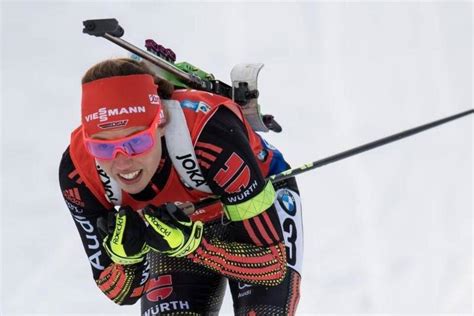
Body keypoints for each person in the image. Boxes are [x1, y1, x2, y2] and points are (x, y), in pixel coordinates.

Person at [59, 58, 303, 315]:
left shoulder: (209, 135)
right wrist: (128, 260)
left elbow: (271, 267)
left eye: (137, 142)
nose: (122, 163)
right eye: (102, 147)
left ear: (161, 123)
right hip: (177, 230)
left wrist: (194, 247)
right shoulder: (78, 170)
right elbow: (118, 291)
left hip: (256, 203)